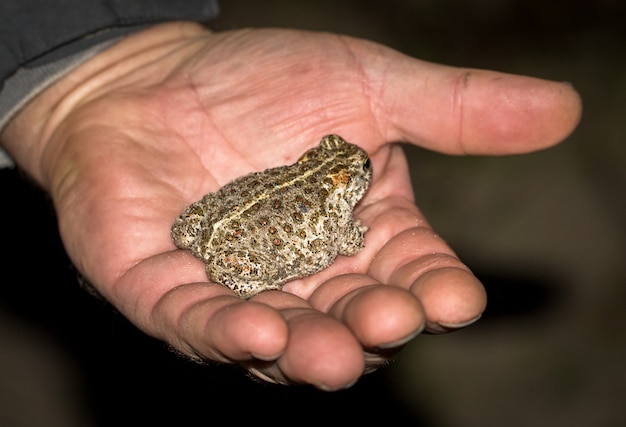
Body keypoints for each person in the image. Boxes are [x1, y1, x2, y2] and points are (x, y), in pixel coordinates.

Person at [0, 1, 581, 390]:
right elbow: (333, 237)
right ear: (342, 181)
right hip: (243, 250)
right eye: (348, 167)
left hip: (209, 225)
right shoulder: (336, 207)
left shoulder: (315, 184)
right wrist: (346, 239)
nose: (357, 173)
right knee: (318, 250)